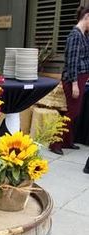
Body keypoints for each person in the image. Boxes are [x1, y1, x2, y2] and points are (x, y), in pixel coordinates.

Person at [50, 6, 89, 155]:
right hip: (74, 78)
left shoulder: (84, 35)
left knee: (74, 111)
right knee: (72, 112)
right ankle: (55, 143)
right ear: (87, 17)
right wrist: (74, 84)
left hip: (80, 78)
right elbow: (72, 62)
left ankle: (66, 141)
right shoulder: (75, 35)